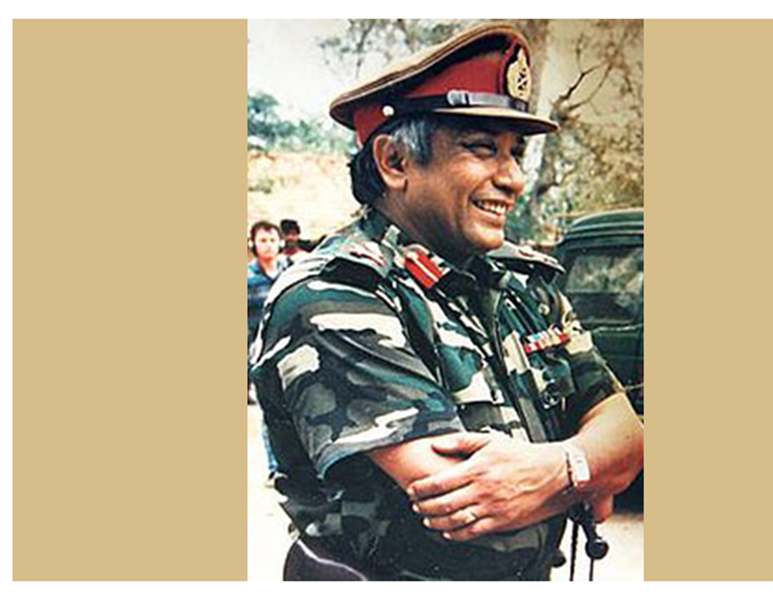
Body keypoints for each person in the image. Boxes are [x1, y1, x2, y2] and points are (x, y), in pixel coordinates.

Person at [249, 23, 644, 581]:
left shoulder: (522, 282)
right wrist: (589, 474)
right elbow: (479, 518)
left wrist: (564, 468)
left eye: (515, 154)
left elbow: (628, 436)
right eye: (482, 149)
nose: (512, 179)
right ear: (394, 162)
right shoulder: (334, 295)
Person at [247, 220, 288, 483]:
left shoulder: (293, 271)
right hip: (261, 350)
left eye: (272, 240)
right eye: (263, 240)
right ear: (253, 244)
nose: (268, 245)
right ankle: (276, 468)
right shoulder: (247, 279)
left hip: (292, 347)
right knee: (271, 411)